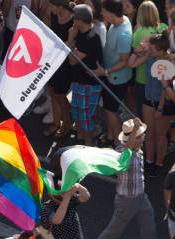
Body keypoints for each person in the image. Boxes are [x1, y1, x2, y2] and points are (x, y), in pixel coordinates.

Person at [95, 119, 157, 239]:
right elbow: (125, 156)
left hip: (141, 197)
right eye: (140, 136)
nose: (144, 137)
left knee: (149, 228)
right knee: (112, 233)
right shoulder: (121, 151)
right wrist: (134, 130)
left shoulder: (138, 150)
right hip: (126, 201)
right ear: (132, 139)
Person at [128, 32, 174, 175]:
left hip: (164, 104)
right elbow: (131, 63)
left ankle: (159, 163)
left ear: (162, 50)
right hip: (148, 100)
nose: (150, 50)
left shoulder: (169, 62)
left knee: (160, 135)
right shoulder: (149, 56)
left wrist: (160, 108)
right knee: (149, 133)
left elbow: (165, 89)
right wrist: (138, 50)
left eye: (153, 49)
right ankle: (149, 162)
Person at [93, 0, 133, 144]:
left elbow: (124, 61)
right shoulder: (122, 20)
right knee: (109, 109)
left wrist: (105, 71)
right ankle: (110, 136)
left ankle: (118, 143)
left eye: (104, 12)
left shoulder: (123, 35)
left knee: (111, 111)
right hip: (110, 76)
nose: (102, 14)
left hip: (116, 78)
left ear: (110, 13)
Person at [67, 4, 103, 146]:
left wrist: (70, 39)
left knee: (86, 120)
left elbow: (72, 61)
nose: (72, 20)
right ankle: (80, 142)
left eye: (74, 17)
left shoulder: (90, 38)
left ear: (80, 20)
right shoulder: (82, 34)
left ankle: (88, 147)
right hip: (79, 83)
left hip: (88, 85)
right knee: (78, 117)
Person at [42, 0, 74, 138]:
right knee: (52, 92)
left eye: (51, 4)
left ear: (60, 7)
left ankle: (66, 124)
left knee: (61, 95)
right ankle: (56, 123)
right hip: (53, 60)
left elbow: (73, 44)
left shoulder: (74, 21)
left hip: (65, 65)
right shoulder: (53, 14)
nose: (48, 7)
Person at [130, 1, 167, 115]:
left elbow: (134, 56)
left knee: (142, 111)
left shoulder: (139, 32)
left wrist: (137, 51)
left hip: (142, 78)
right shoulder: (164, 28)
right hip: (161, 78)